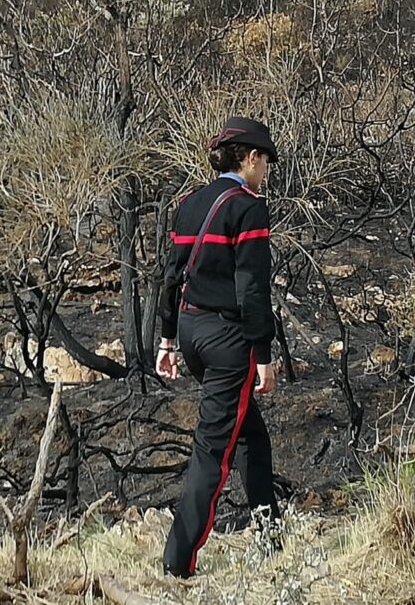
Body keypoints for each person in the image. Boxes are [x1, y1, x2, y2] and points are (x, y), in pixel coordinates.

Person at [156, 115, 281, 578]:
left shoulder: (190, 204)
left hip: (191, 335)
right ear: (250, 158)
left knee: (251, 436)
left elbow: (171, 277)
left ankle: (271, 540)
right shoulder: (248, 207)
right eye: (265, 160)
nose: (266, 169)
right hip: (230, 341)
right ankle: (177, 565)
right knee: (214, 450)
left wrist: (167, 339)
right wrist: (264, 356)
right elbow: (252, 290)